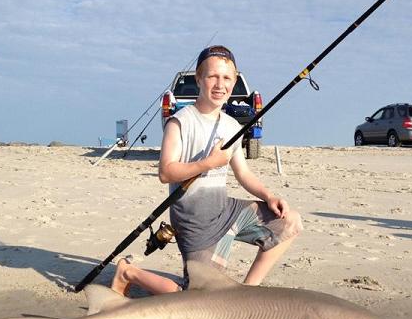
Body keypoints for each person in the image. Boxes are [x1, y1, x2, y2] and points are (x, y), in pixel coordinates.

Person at [111, 45, 302, 296]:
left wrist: (269, 196)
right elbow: (166, 173)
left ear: (234, 83)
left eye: (226, 78)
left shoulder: (233, 125)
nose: (219, 84)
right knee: (200, 299)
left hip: (226, 211)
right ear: (199, 79)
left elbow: (243, 175)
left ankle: (247, 293)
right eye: (212, 76)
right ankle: (128, 272)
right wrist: (208, 163)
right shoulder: (179, 122)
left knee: (290, 222)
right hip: (193, 222)